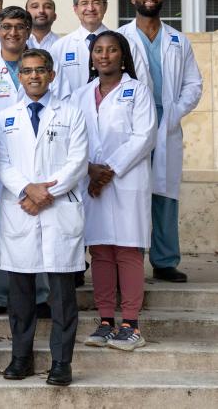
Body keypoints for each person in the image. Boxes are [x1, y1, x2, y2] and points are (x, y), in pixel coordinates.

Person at [0, 7, 64, 317]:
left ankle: (40, 295)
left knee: (37, 225)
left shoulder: (43, 64)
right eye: (6, 26)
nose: (13, 33)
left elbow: (62, 106)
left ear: (29, 31)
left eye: (20, 27)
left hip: (38, 161)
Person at [0, 49, 89, 386]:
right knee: (20, 294)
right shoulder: (4, 117)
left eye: (40, 70)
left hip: (57, 209)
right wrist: (27, 190)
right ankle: (21, 357)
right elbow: (1, 162)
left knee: (62, 295)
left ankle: (62, 362)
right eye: (27, 71)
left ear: (52, 75)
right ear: (19, 76)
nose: (34, 76)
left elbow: (77, 161)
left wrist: (45, 194)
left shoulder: (71, 114)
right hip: (20, 208)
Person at [73, 31, 157, 351]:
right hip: (92, 181)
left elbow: (144, 136)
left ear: (122, 56)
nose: (104, 55)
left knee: (127, 250)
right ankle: (106, 321)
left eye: (111, 50)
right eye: (98, 50)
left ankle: (131, 325)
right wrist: (89, 170)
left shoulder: (137, 91)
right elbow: (74, 138)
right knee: (101, 252)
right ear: (92, 57)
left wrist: (106, 171)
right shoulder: (80, 94)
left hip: (125, 180)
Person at [117, 0, 204, 283]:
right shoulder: (120, 37)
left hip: (167, 126)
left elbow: (193, 84)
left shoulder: (178, 40)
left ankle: (165, 261)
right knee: (131, 194)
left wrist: (175, 112)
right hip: (131, 128)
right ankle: (129, 263)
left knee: (165, 195)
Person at [48, 0, 110, 96]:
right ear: (75, 9)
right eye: (84, 3)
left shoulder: (123, 43)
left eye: (96, 3)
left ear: (105, 7)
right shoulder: (59, 47)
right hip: (70, 107)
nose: (90, 8)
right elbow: (52, 88)